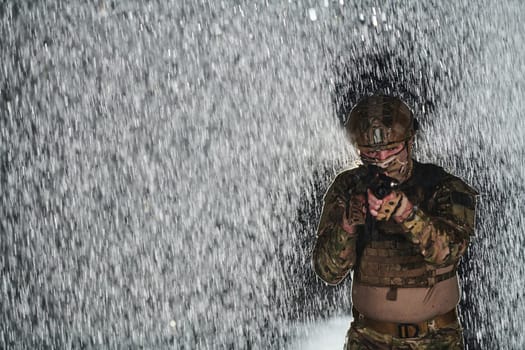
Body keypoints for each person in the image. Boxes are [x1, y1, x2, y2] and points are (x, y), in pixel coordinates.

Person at [312, 95, 477, 349]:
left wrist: (406, 213)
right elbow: (327, 272)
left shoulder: (443, 188)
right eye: (372, 152)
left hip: (435, 340)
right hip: (369, 338)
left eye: (392, 149)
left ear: (410, 143)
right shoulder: (348, 187)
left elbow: (447, 253)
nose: (383, 159)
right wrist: (348, 226)